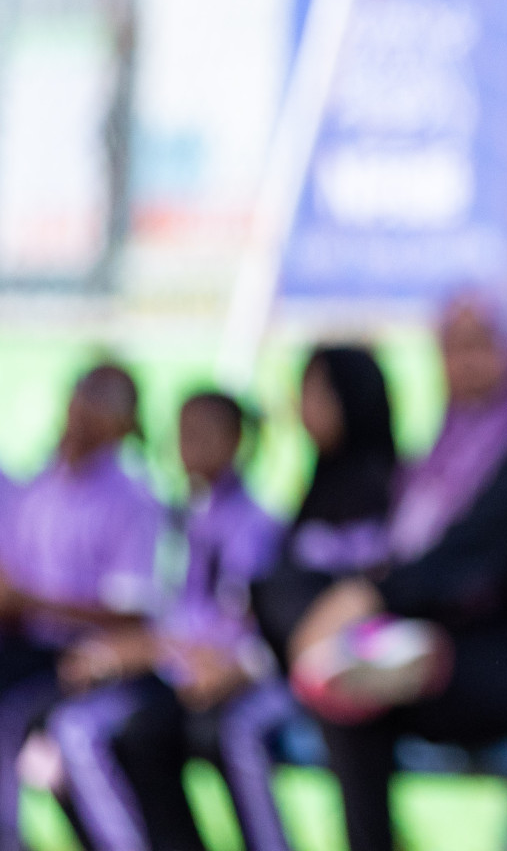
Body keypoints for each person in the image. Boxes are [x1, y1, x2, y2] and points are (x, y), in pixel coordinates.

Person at [262, 302, 507, 851]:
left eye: (478, 343)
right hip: (464, 655)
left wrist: (366, 597)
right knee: (349, 681)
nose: (462, 362)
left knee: (359, 678)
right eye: (450, 346)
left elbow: (464, 559)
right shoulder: (450, 447)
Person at [47, 391, 290, 851]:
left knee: (123, 734)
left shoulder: (253, 523)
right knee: (78, 727)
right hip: (171, 669)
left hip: (223, 679)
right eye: (182, 433)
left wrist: (151, 651)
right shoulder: (178, 515)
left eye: (202, 433)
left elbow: (231, 630)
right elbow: (166, 613)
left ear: (238, 440)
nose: (188, 446)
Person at [0, 365, 165, 851]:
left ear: (122, 421)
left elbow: (134, 614)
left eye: (96, 405)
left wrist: (31, 601)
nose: (79, 416)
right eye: (79, 400)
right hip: (29, 644)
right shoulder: (42, 487)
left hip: (100, 657)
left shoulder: (134, 498)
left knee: (54, 727)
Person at [253, 346, 398, 656]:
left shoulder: (390, 489)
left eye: (316, 392)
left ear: (354, 396)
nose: (301, 405)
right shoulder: (321, 484)